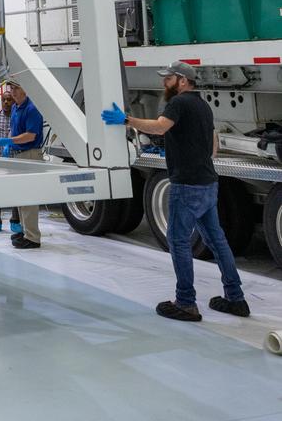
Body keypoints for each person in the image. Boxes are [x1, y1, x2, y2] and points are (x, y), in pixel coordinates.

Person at [103, 61, 249, 322]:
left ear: (182, 80)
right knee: (217, 241)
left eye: (168, 78)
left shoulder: (179, 103)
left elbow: (160, 126)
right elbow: (212, 143)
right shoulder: (202, 104)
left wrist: (125, 120)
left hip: (187, 185)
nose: (163, 82)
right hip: (207, 182)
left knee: (179, 241)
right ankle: (236, 298)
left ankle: (185, 303)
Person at [0, 82, 45, 250]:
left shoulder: (32, 109)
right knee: (21, 198)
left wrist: (10, 141)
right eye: (11, 88)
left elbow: (31, 136)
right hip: (20, 155)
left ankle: (33, 238)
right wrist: (9, 143)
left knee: (29, 199)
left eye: (16, 88)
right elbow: (14, 129)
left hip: (30, 154)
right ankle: (25, 232)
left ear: (25, 89)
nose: (12, 92)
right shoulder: (17, 107)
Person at [0, 87, 22, 236]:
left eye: (9, 100)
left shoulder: (18, 116)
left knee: (15, 191)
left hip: (15, 158)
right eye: (4, 100)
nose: (6, 102)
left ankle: (15, 220)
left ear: (14, 101)